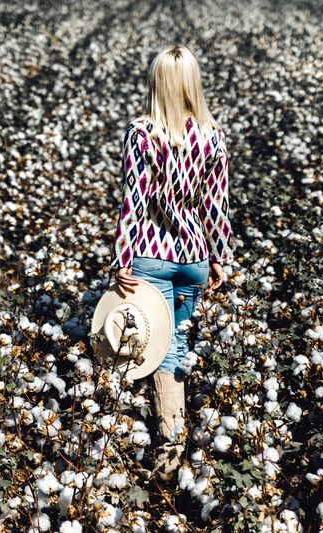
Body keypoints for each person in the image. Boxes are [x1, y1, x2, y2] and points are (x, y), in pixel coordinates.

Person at [108, 44, 234, 481]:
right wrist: (219, 257)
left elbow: (134, 200)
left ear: (157, 82)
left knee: (155, 354)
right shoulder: (213, 136)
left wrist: (122, 257)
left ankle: (166, 457)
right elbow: (216, 205)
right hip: (195, 257)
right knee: (176, 345)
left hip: (152, 256)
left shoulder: (142, 132)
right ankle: (174, 442)